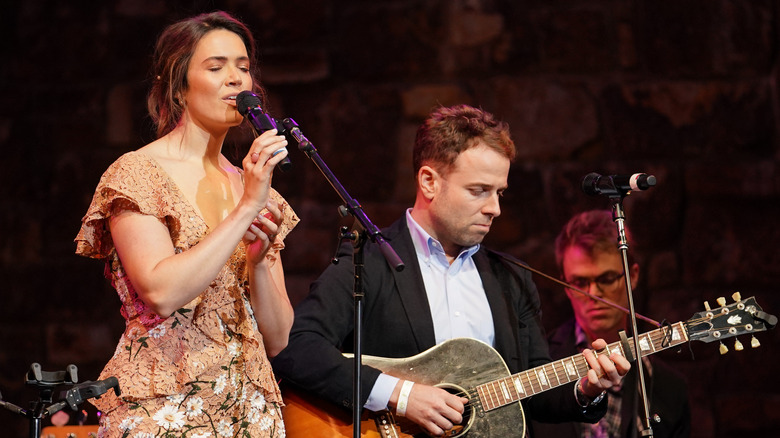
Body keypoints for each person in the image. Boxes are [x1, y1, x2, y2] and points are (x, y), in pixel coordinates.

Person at [271, 104, 630, 437]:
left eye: (499, 193)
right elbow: (296, 348)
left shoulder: (511, 279)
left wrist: (586, 389)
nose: (494, 208)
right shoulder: (368, 261)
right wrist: (400, 394)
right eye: (479, 191)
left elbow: (533, 394)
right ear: (429, 181)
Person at [75, 11, 298, 437]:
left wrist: (260, 262)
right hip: (167, 408)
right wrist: (245, 210)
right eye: (216, 67)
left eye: (244, 67)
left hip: (249, 413)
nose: (236, 79)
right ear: (179, 86)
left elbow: (279, 338)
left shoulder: (252, 186)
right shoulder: (138, 173)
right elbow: (161, 293)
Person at [532, 210, 690, 438]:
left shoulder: (671, 388)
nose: (594, 293)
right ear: (566, 286)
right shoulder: (538, 363)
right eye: (579, 282)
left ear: (633, 276)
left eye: (606, 279)